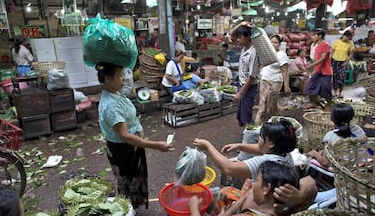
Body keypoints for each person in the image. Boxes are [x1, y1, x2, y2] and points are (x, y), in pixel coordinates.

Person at [193, 119, 316, 215]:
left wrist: (208, 146)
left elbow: (228, 168)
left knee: (225, 192)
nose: (259, 138)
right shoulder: (284, 152)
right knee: (230, 192)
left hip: (262, 201)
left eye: (262, 137)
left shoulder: (266, 163)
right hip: (267, 197)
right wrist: (240, 146)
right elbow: (263, 149)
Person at [96, 62, 174, 209]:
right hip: (123, 151)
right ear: (107, 78)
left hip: (130, 148)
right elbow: (125, 136)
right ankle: (125, 209)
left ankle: (132, 206)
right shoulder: (111, 106)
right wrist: (157, 145)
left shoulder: (115, 94)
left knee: (133, 179)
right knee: (126, 181)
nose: (123, 78)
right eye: (119, 76)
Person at [189, 161, 300, 216]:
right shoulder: (282, 210)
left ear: (266, 188)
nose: (253, 184)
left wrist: (194, 208)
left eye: (257, 180)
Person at [307, 103, 366, 168]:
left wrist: (314, 153)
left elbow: (325, 162)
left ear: (332, 118)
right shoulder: (359, 130)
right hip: (359, 164)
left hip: (344, 168)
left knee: (312, 155)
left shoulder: (330, 136)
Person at [255, 34, 291, 124]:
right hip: (264, 80)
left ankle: (271, 123)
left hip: (275, 81)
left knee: (270, 104)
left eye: (275, 43)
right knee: (262, 103)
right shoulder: (266, 53)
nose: (273, 44)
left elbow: (285, 71)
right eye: (271, 42)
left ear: (279, 44)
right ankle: (259, 123)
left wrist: (286, 86)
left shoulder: (281, 55)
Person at [230, 22, 260, 127]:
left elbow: (252, 76)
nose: (238, 39)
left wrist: (240, 93)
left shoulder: (254, 52)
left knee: (246, 114)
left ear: (248, 37)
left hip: (249, 87)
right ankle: (248, 134)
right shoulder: (244, 48)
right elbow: (231, 36)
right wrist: (240, 24)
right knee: (241, 114)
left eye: (241, 36)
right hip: (242, 85)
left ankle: (252, 135)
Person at [303, 30, 333, 111]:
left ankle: (329, 105)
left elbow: (323, 58)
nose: (312, 37)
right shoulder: (316, 45)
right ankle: (313, 102)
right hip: (317, 70)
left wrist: (310, 66)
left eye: (314, 35)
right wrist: (312, 68)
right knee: (311, 86)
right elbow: (315, 58)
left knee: (325, 88)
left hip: (326, 71)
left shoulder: (325, 45)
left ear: (319, 36)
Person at [331, 31, 355, 98]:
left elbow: (351, 54)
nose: (348, 39)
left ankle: (340, 93)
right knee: (335, 77)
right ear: (344, 36)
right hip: (335, 62)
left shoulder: (350, 43)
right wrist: (331, 61)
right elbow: (332, 52)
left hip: (343, 62)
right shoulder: (337, 42)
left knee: (341, 78)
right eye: (347, 37)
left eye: (349, 38)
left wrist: (346, 62)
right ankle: (335, 92)